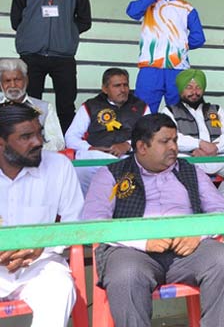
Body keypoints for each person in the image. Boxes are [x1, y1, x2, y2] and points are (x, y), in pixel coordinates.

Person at [82, 113, 224, 326]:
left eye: (175, 140)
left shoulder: (191, 171)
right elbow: (95, 222)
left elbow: (220, 210)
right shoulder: (111, 175)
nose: (173, 147)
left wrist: (198, 235)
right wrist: (143, 242)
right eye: (165, 141)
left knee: (223, 259)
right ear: (142, 147)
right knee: (126, 274)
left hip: (188, 250)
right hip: (133, 252)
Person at [0, 103, 84, 327]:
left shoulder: (59, 166)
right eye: (26, 137)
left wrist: (42, 245)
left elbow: (76, 223)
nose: (38, 142)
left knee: (59, 288)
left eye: (39, 133)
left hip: (41, 265)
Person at [10, 0, 92, 133]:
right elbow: (16, 21)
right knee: (29, 105)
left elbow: (85, 20)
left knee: (66, 107)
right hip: (32, 56)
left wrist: (67, 32)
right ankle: (30, 143)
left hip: (63, 57)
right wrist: (33, 32)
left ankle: (67, 144)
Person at [126, 0, 206, 113]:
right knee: (143, 112)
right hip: (150, 66)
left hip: (178, 67)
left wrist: (180, 46)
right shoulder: (149, 3)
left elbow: (199, 38)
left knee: (180, 114)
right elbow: (132, 12)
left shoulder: (187, 8)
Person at [65, 68, 149, 194]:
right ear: (105, 89)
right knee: (82, 164)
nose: (123, 90)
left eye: (125, 85)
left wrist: (128, 145)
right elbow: (71, 137)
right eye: (117, 86)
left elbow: (150, 135)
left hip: (128, 157)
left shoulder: (141, 107)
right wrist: (90, 148)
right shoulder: (90, 106)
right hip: (95, 157)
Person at [161, 69, 224, 177]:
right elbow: (172, 137)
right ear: (181, 90)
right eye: (189, 87)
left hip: (218, 157)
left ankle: (223, 189)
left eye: (198, 87)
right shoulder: (169, 111)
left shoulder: (216, 110)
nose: (194, 92)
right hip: (189, 158)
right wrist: (199, 144)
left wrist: (214, 149)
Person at [0, 58, 64, 151]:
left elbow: (58, 142)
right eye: (7, 81)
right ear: (1, 84)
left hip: (36, 158)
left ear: (26, 80)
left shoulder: (45, 108)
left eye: (17, 80)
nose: (13, 85)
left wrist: (30, 150)